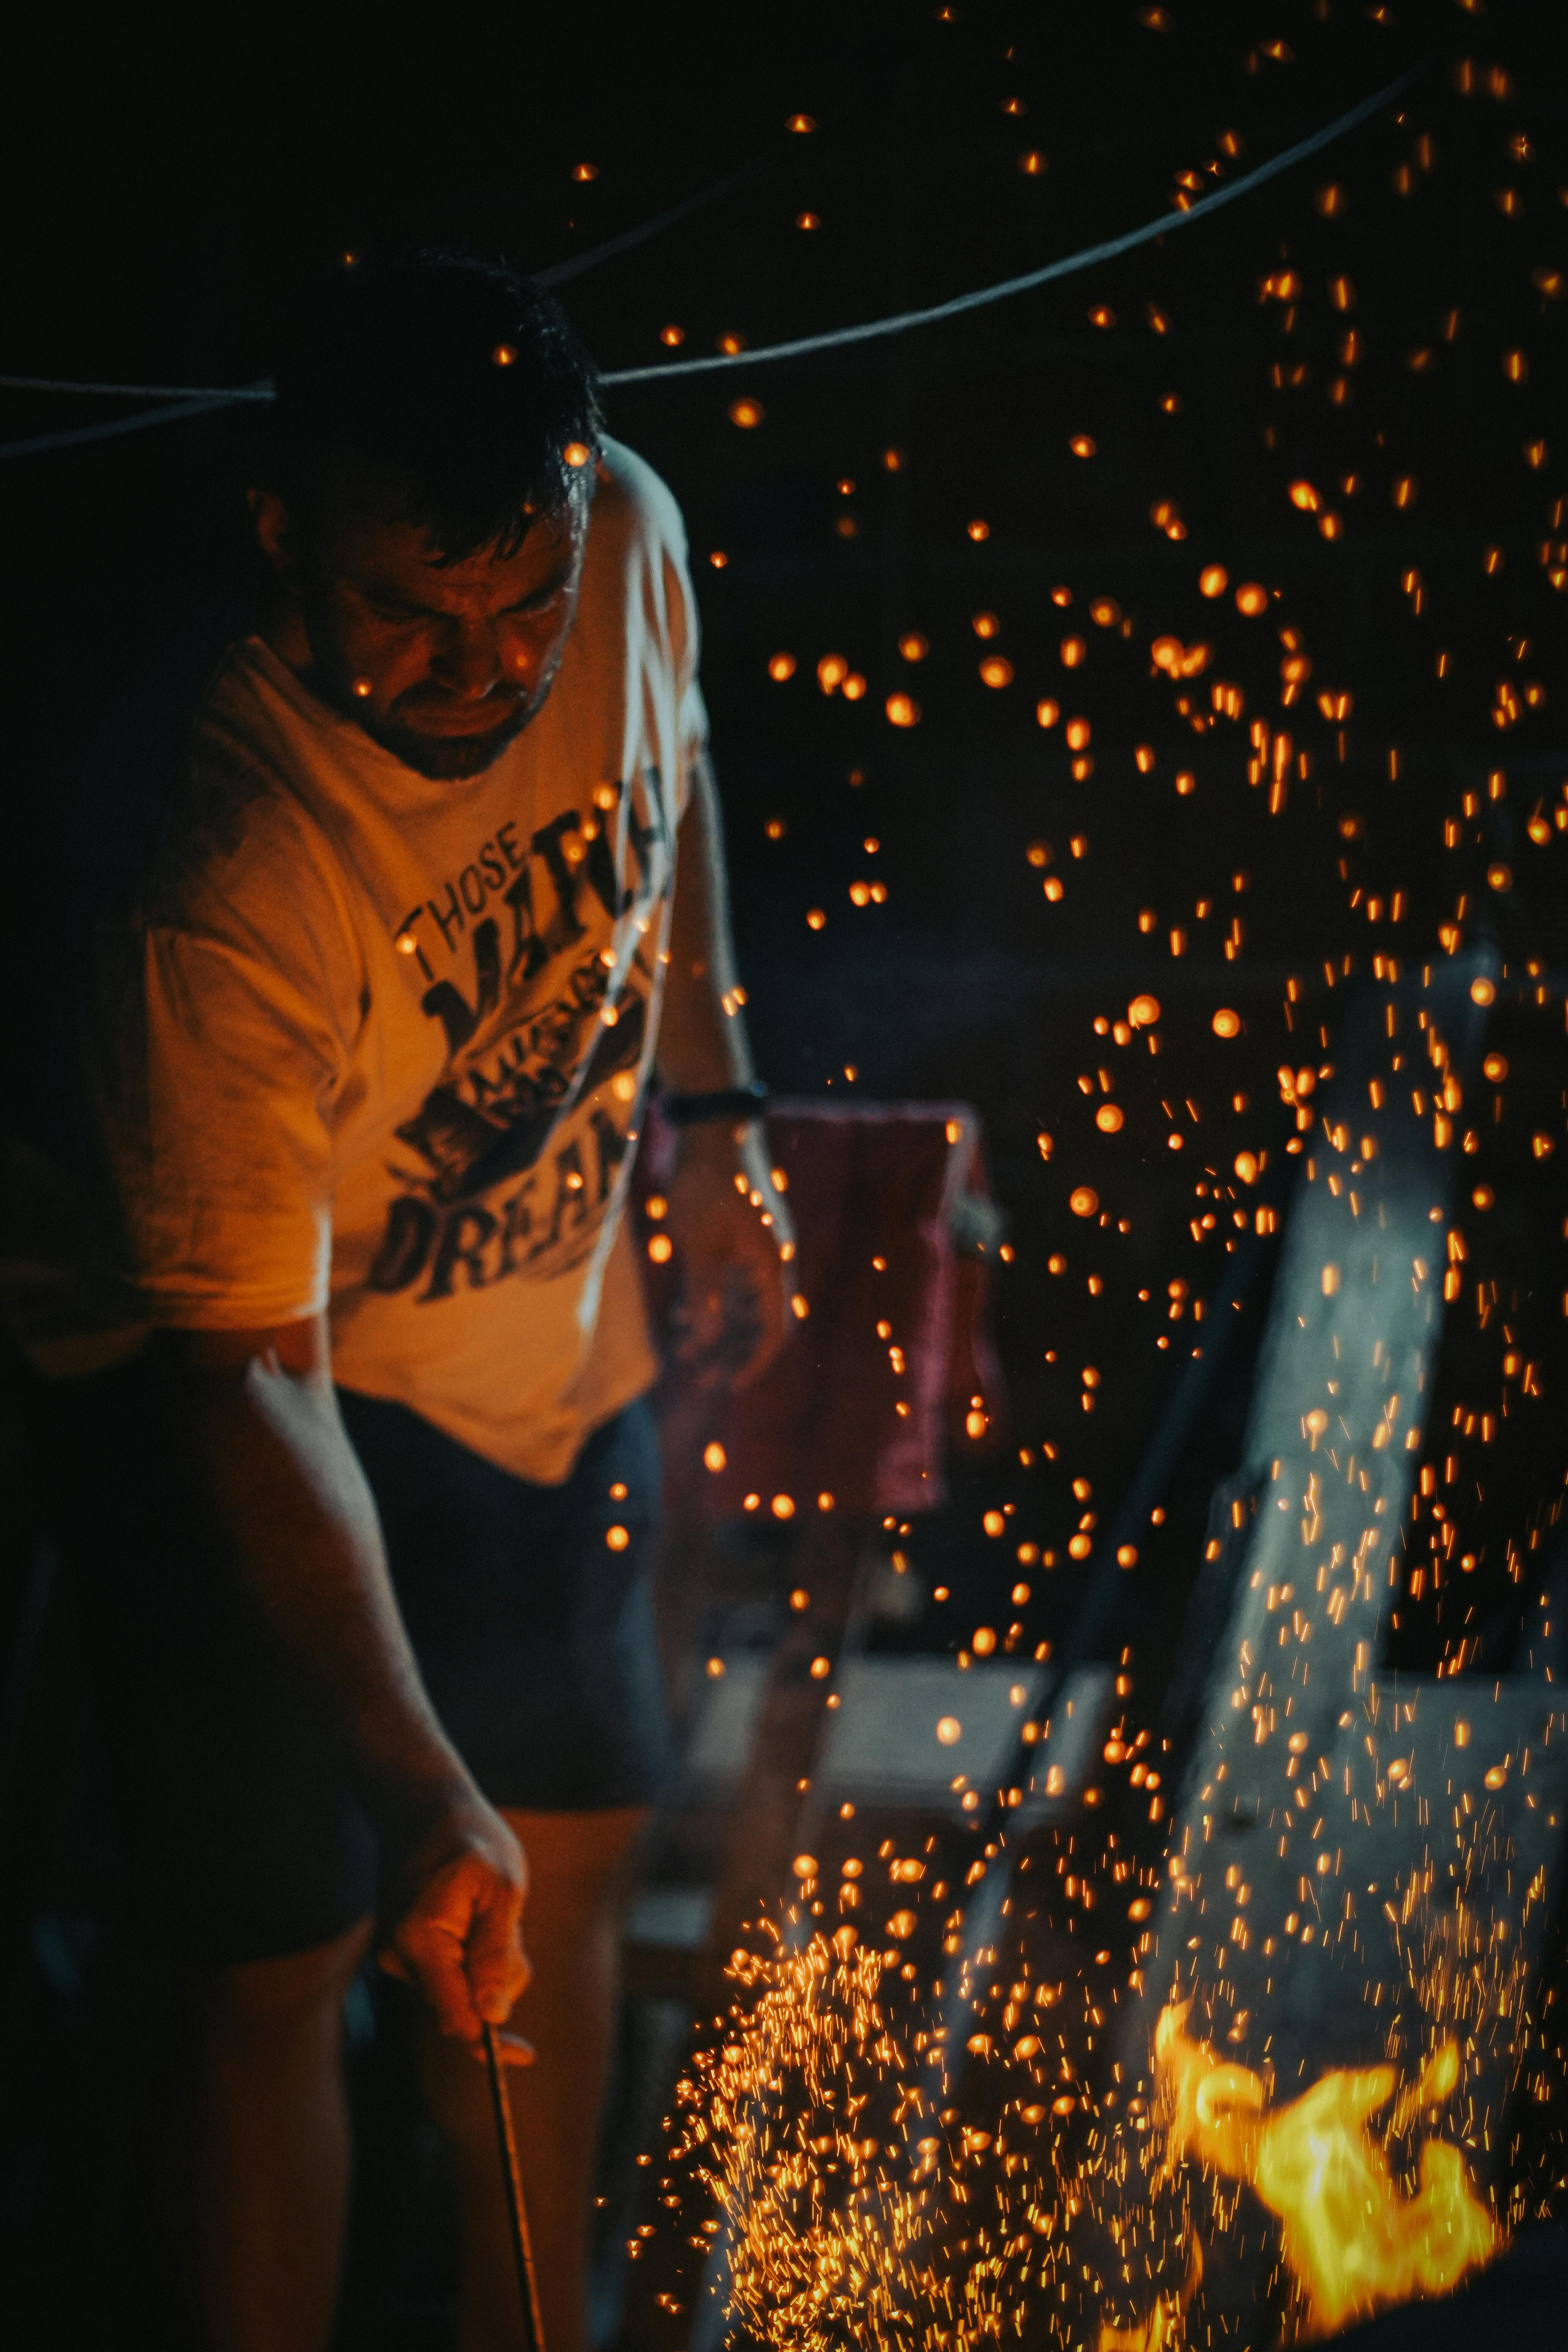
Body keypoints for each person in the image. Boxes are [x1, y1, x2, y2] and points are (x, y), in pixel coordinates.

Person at [75, 248, 793, 2352]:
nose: (481, 669)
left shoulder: (633, 533)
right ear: (285, 529)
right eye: (411, 607)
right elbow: (249, 1381)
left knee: (563, 1863)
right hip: (267, 1406)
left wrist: (721, 1103)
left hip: (545, 1353)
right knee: (285, 1963)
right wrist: (409, 1769)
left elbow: (676, 791)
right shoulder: (222, 875)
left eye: (523, 603)